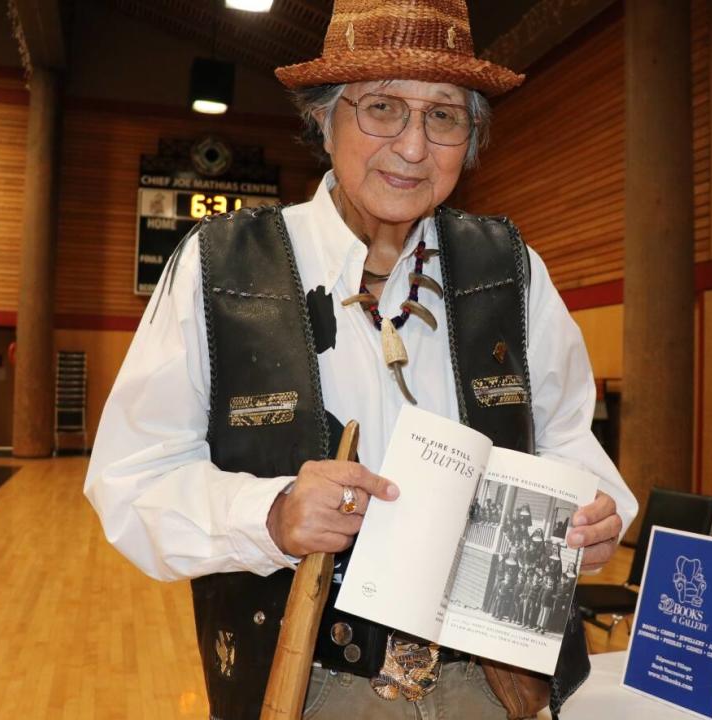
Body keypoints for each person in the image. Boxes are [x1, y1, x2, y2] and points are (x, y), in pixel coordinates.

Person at [84, 1, 637, 718]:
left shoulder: (509, 268)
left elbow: (566, 436)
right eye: (381, 108)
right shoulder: (219, 268)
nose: (413, 147)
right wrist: (272, 513)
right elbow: (131, 482)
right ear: (324, 118)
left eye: (443, 116)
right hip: (310, 687)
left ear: (470, 137)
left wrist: (599, 510)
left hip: (497, 686)